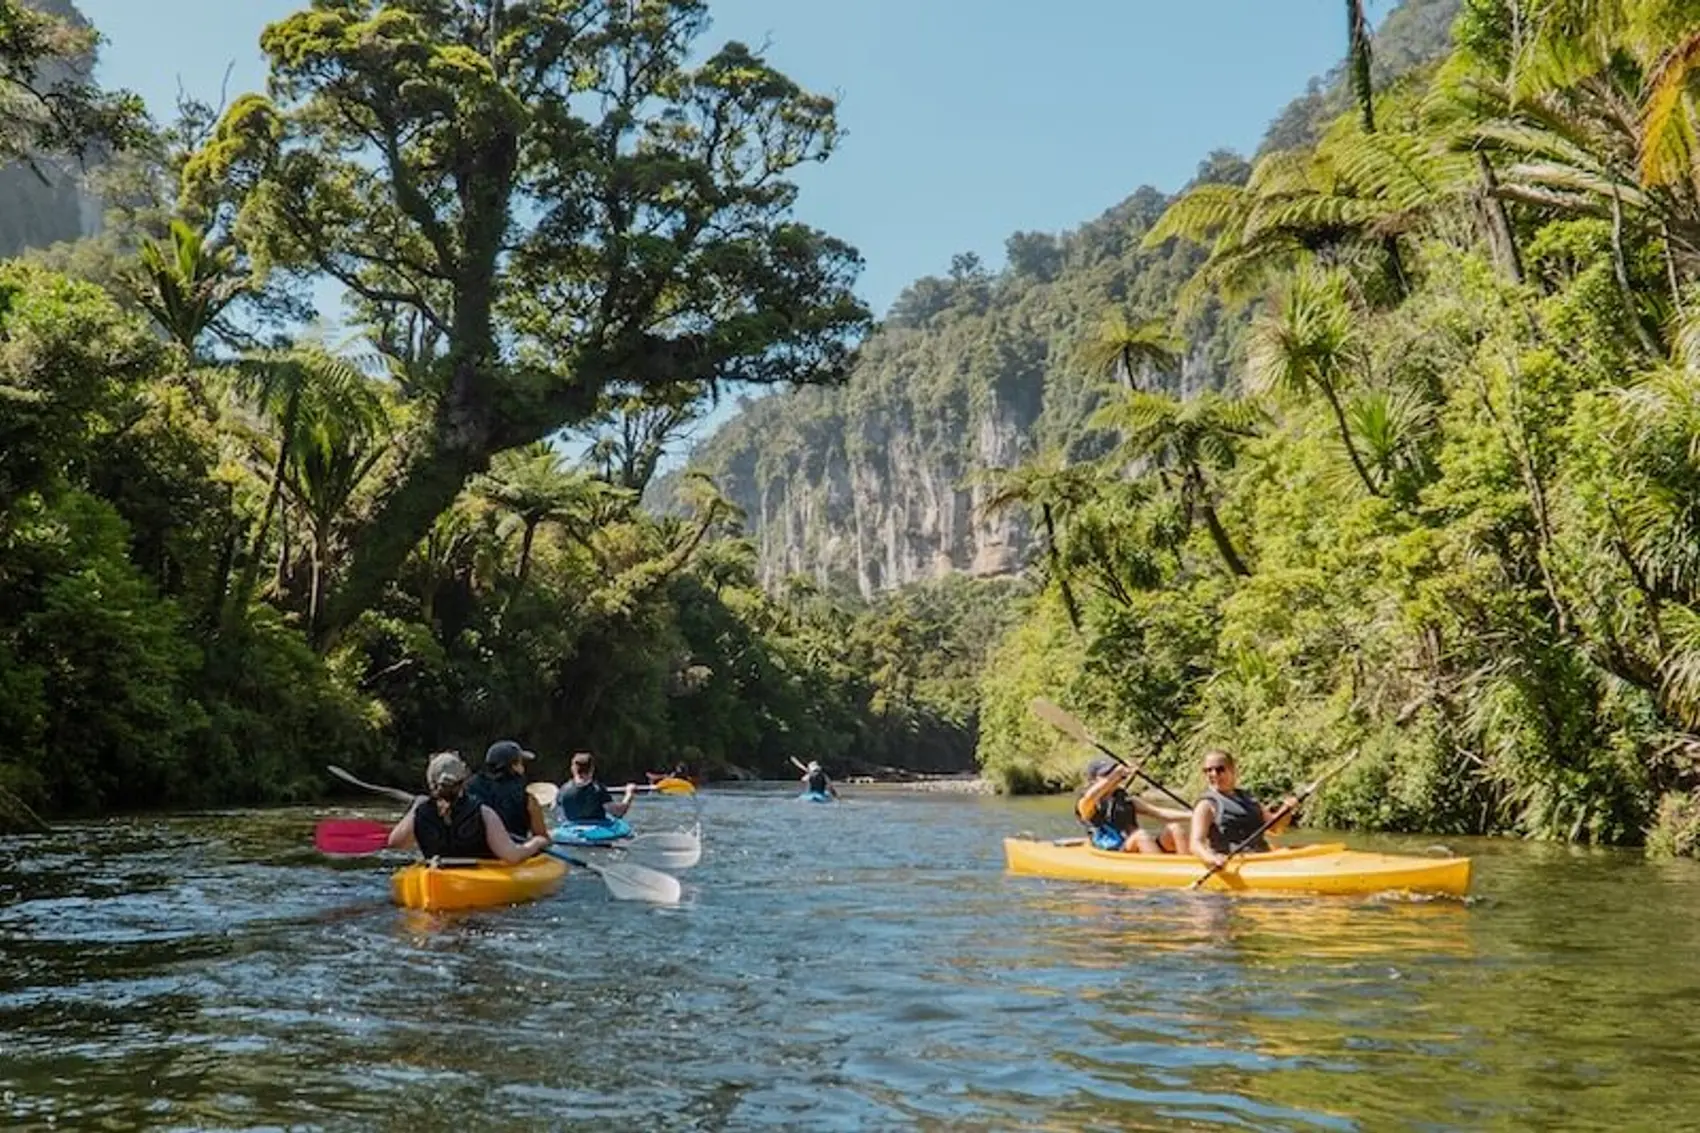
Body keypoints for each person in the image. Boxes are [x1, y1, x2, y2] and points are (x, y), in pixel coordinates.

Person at [387, 752, 550, 862]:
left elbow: (396, 844)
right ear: (464, 780)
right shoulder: (483, 812)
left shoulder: (420, 812)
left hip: (436, 874)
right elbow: (511, 855)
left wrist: (417, 806)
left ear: (430, 781)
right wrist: (537, 842)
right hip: (474, 881)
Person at [1190, 750, 1298, 868]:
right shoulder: (1206, 805)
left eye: (1220, 769)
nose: (1213, 774)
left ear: (1233, 770)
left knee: (1289, 851)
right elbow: (1196, 843)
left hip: (1261, 857)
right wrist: (1212, 858)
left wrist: (1286, 810)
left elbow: (1275, 827)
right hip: (1234, 862)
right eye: (1208, 770)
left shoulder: (1248, 797)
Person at [1075, 757, 1190, 853]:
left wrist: (1193, 815)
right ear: (1093, 780)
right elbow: (1090, 796)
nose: (1112, 777)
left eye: (1112, 772)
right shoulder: (1086, 804)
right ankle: (1160, 870)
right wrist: (1117, 773)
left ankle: (1187, 865)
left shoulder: (1125, 799)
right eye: (1106, 774)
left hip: (1136, 844)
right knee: (1141, 835)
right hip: (1113, 849)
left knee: (1175, 828)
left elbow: (1160, 813)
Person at [467, 738, 549, 840]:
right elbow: (541, 836)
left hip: (474, 850)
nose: (523, 768)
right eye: (521, 763)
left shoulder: (469, 786)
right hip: (513, 850)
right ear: (514, 766)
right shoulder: (526, 794)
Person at [555, 751, 634, 824]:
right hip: (595, 830)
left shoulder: (563, 790)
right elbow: (619, 812)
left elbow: (558, 813)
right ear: (592, 769)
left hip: (570, 830)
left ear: (573, 769)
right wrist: (629, 793)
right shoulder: (598, 790)